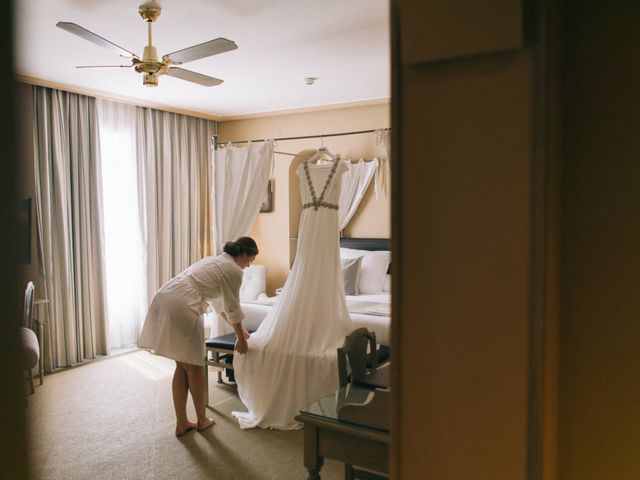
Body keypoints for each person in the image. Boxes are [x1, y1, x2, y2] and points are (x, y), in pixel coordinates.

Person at [138, 236, 258, 437]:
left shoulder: (215, 260)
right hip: (183, 303)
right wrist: (242, 339)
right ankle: (202, 420)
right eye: (250, 260)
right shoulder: (233, 270)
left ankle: (182, 423)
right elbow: (232, 306)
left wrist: (240, 330)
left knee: (182, 365)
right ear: (244, 254)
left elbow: (220, 305)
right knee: (195, 366)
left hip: (167, 295)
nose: (248, 266)